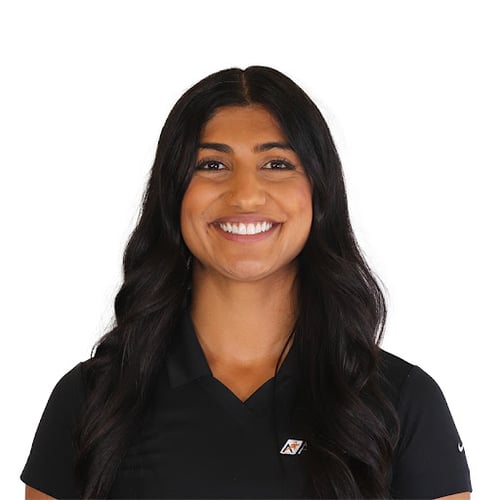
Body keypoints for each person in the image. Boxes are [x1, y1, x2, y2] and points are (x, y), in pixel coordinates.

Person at [21, 66, 472, 500]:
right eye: (212, 164)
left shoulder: (401, 400)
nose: (245, 195)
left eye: (276, 163)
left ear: (319, 191)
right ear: (174, 193)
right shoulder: (93, 401)